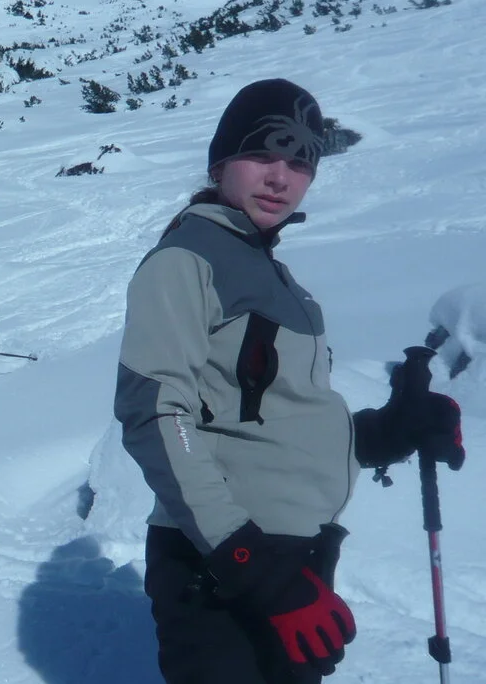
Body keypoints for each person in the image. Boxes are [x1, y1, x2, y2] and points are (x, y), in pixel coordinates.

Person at [112, 78, 465, 684]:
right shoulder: (187, 259)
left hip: (291, 559)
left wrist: (390, 430)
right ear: (221, 163)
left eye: (302, 160)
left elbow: (276, 424)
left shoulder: (280, 279)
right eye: (263, 154)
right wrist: (251, 563)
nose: (282, 176)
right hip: (224, 566)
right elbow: (156, 415)